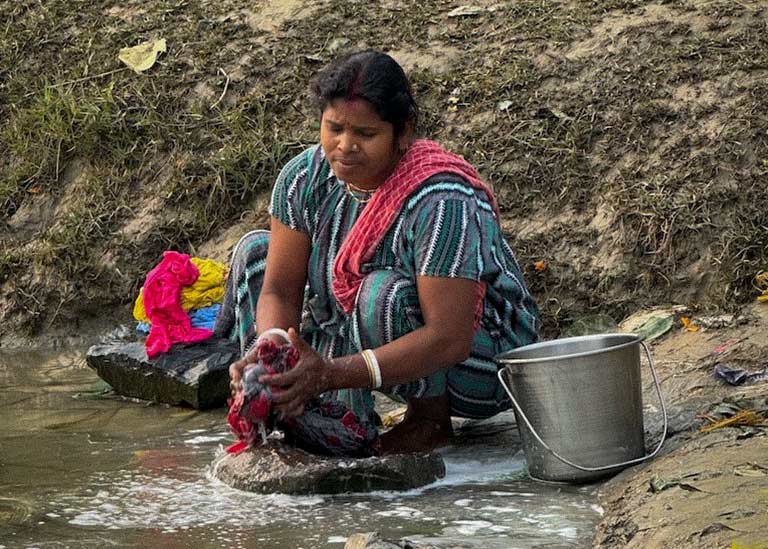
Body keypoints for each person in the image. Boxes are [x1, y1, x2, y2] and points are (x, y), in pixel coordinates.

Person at [214, 50, 540, 454]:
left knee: (381, 293)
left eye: (366, 135)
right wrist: (272, 355)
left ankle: (429, 423)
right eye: (333, 128)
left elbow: (449, 338)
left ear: (402, 134)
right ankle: (296, 411)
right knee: (254, 252)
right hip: (359, 336)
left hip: (480, 363)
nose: (345, 146)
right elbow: (279, 290)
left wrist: (331, 374)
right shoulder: (303, 177)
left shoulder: (439, 198)